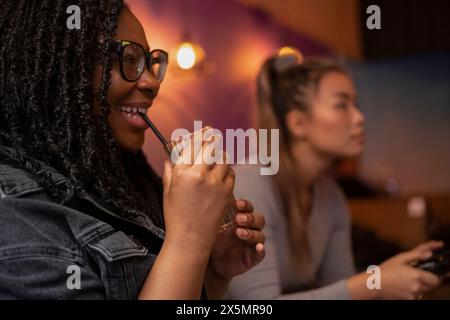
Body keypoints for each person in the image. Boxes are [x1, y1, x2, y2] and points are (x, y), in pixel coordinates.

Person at [0, 1, 265, 299]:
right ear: (59, 68)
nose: (152, 82)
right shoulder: (13, 211)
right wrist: (190, 240)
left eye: (151, 61)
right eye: (128, 59)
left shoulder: (125, 184)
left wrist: (215, 272)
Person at [225, 54, 443, 300]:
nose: (360, 118)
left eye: (356, 105)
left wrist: (393, 275)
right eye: (341, 105)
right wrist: (375, 282)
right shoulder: (249, 186)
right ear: (298, 123)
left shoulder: (331, 198)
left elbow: (342, 290)